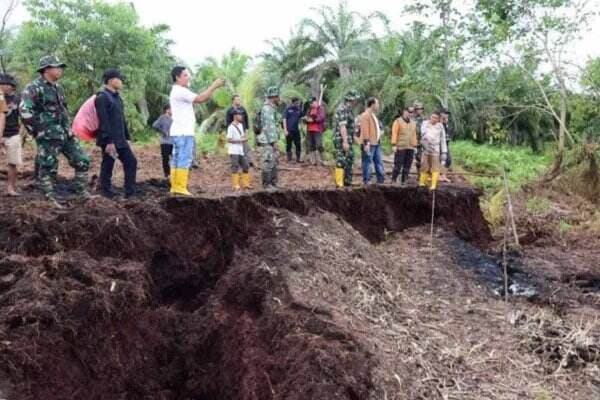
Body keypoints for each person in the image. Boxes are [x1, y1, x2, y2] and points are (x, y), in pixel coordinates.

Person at [20, 55, 91, 205]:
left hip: (65, 133)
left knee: (82, 160)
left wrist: (69, 128)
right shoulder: (33, 88)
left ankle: (81, 193)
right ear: (46, 69)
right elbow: (24, 111)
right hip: (48, 135)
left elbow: (64, 110)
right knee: (48, 167)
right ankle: (49, 198)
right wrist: (37, 130)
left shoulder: (58, 88)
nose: (60, 70)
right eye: (57, 67)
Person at [168, 66, 224, 196]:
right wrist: (214, 86)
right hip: (184, 132)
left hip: (178, 131)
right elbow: (200, 99)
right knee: (184, 158)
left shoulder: (176, 91)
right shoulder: (180, 91)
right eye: (186, 75)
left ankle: (175, 186)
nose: (188, 78)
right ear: (178, 77)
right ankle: (180, 186)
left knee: (176, 159)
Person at [95, 68, 137, 199]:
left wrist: (127, 137)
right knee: (108, 163)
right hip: (110, 141)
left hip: (121, 140)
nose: (121, 82)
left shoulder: (117, 98)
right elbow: (104, 122)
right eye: (119, 79)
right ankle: (105, 191)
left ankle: (129, 193)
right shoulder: (102, 98)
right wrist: (108, 141)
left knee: (131, 162)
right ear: (111, 80)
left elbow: (122, 120)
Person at [0, 74, 22, 196]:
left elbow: (23, 117)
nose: (2, 86)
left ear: (10, 86)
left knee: (13, 163)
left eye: (4, 84)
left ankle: (10, 188)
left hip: (13, 133)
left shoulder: (18, 99)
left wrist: (22, 134)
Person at [333, 90, 359, 188]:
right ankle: (339, 183)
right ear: (351, 99)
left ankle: (348, 181)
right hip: (341, 139)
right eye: (355, 99)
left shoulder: (349, 110)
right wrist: (345, 141)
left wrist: (353, 138)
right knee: (341, 160)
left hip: (348, 139)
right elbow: (342, 126)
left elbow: (350, 126)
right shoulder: (343, 109)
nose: (356, 102)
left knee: (350, 158)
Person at [258, 86, 281, 189]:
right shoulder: (267, 109)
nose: (279, 98)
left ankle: (273, 182)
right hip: (267, 140)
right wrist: (274, 141)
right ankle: (267, 184)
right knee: (267, 161)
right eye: (278, 96)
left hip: (270, 140)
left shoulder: (271, 108)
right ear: (274, 97)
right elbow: (269, 127)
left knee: (274, 161)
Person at [358, 97, 385, 185]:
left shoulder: (373, 115)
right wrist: (366, 143)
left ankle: (380, 180)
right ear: (372, 104)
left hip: (376, 142)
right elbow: (365, 130)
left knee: (379, 162)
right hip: (369, 144)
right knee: (367, 162)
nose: (378, 106)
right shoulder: (365, 115)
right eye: (377, 104)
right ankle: (367, 180)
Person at [419, 111, 447, 191]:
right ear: (430, 117)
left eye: (436, 118)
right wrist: (426, 143)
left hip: (436, 148)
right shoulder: (425, 123)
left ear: (438, 119)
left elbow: (443, 139)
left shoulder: (440, 126)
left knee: (435, 167)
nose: (434, 119)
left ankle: (433, 185)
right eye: (433, 117)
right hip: (426, 147)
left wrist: (444, 152)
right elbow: (423, 134)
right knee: (424, 166)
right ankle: (422, 183)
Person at [391, 107, 418, 185]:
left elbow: (414, 135)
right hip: (400, 147)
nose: (410, 114)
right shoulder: (398, 121)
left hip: (410, 147)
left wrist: (415, 145)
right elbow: (394, 133)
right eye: (409, 112)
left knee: (407, 165)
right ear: (404, 112)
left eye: (412, 112)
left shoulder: (413, 123)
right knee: (398, 165)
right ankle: (394, 180)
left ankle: (404, 180)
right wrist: (394, 144)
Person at [227, 108, 252, 190]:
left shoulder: (241, 125)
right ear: (235, 116)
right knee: (235, 167)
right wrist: (240, 140)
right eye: (239, 114)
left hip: (240, 150)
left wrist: (245, 138)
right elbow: (229, 139)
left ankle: (245, 184)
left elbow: (242, 136)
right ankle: (235, 185)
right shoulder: (231, 127)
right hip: (234, 150)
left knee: (245, 166)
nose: (241, 116)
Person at [225, 94, 253, 166]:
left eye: (239, 99)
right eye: (237, 99)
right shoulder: (230, 111)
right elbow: (228, 122)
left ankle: (249, 161)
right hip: (234, 132)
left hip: (242, 131)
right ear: (233, 101)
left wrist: (246, 130)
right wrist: (229, 132)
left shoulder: (242, 109)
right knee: (235, 148)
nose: (238, 101)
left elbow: (246, 120)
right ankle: (236, 163)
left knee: (246, 147)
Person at [152, 104, 173, 179]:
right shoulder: (163, 117)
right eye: (171, 109)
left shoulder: (174, 118)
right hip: (165, 142)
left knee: (174, 158)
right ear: (167, 110)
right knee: (165, 158)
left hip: (174, 142)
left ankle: (173, 173)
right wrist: (163, 131)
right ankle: (167, 174)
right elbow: (155, 125)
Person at [305, 97, 326, 165]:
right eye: (310, 103)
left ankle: (322, 160)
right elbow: (307, 117)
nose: (311, 104)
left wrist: (314, 119)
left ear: (315, 102)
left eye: (312, 103)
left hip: (317, 129)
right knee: (311, 145)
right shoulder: (309, 109)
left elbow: (322, 117)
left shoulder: (320, 108)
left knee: (319, 144)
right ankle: (313, 161)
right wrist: (306, 119)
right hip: (309, 129)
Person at [283, 97, 303, 163]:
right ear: (292, 103)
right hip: (289, 130)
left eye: (298, 103)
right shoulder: (287, 109)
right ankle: (289, 159)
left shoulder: (299, 110)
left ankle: (298, 158)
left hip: (296, 130)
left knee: (298, 144)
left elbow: (302, 117)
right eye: (296, 103)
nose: (297, 104)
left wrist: (301, 126)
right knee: (289, 144)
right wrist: (285, 130)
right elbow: (284, 119)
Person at [440, 109, 453, 183]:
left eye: (447, 114)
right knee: (438, 160)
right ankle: (438, 175)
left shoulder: (447, 124)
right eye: (445, 113)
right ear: (441, 114)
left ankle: (443, 176)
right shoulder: (438, 123)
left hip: (446, 144)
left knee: (448, 160)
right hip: (438, 144)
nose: (446, 115)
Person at [413, 101, 426, 173]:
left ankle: (420, 174)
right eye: (418, 109)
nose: (420, 110)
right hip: (412, 141)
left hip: (421, 142)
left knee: (420, 158)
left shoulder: (425, 119)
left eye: (421, 109)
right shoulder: (411, 118)